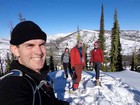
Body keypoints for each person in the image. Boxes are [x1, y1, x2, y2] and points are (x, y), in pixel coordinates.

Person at [0, 21, 69, 105]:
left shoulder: (38, 77)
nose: (39, 52)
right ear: (15, 50)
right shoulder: (12, 86)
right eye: (30, 45)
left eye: (41, 45)